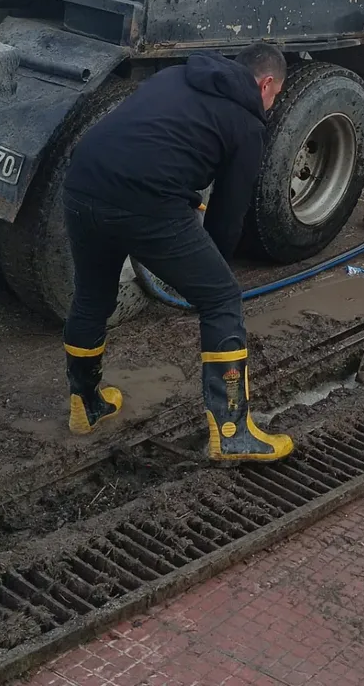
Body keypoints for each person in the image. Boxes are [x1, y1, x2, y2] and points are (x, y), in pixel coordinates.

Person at [60, 42, 293, 463]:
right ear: (267, 83)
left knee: (93, 296)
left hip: (82, 184)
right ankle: (232, 431)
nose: (271, 106)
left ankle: (86, 406)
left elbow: (150, 140)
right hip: (144, 203)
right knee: (222, 299)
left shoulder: (177, 75)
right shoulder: (246, 123)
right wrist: (209, 275)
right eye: (274, 98)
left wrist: (182, 196)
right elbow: (227, 217)